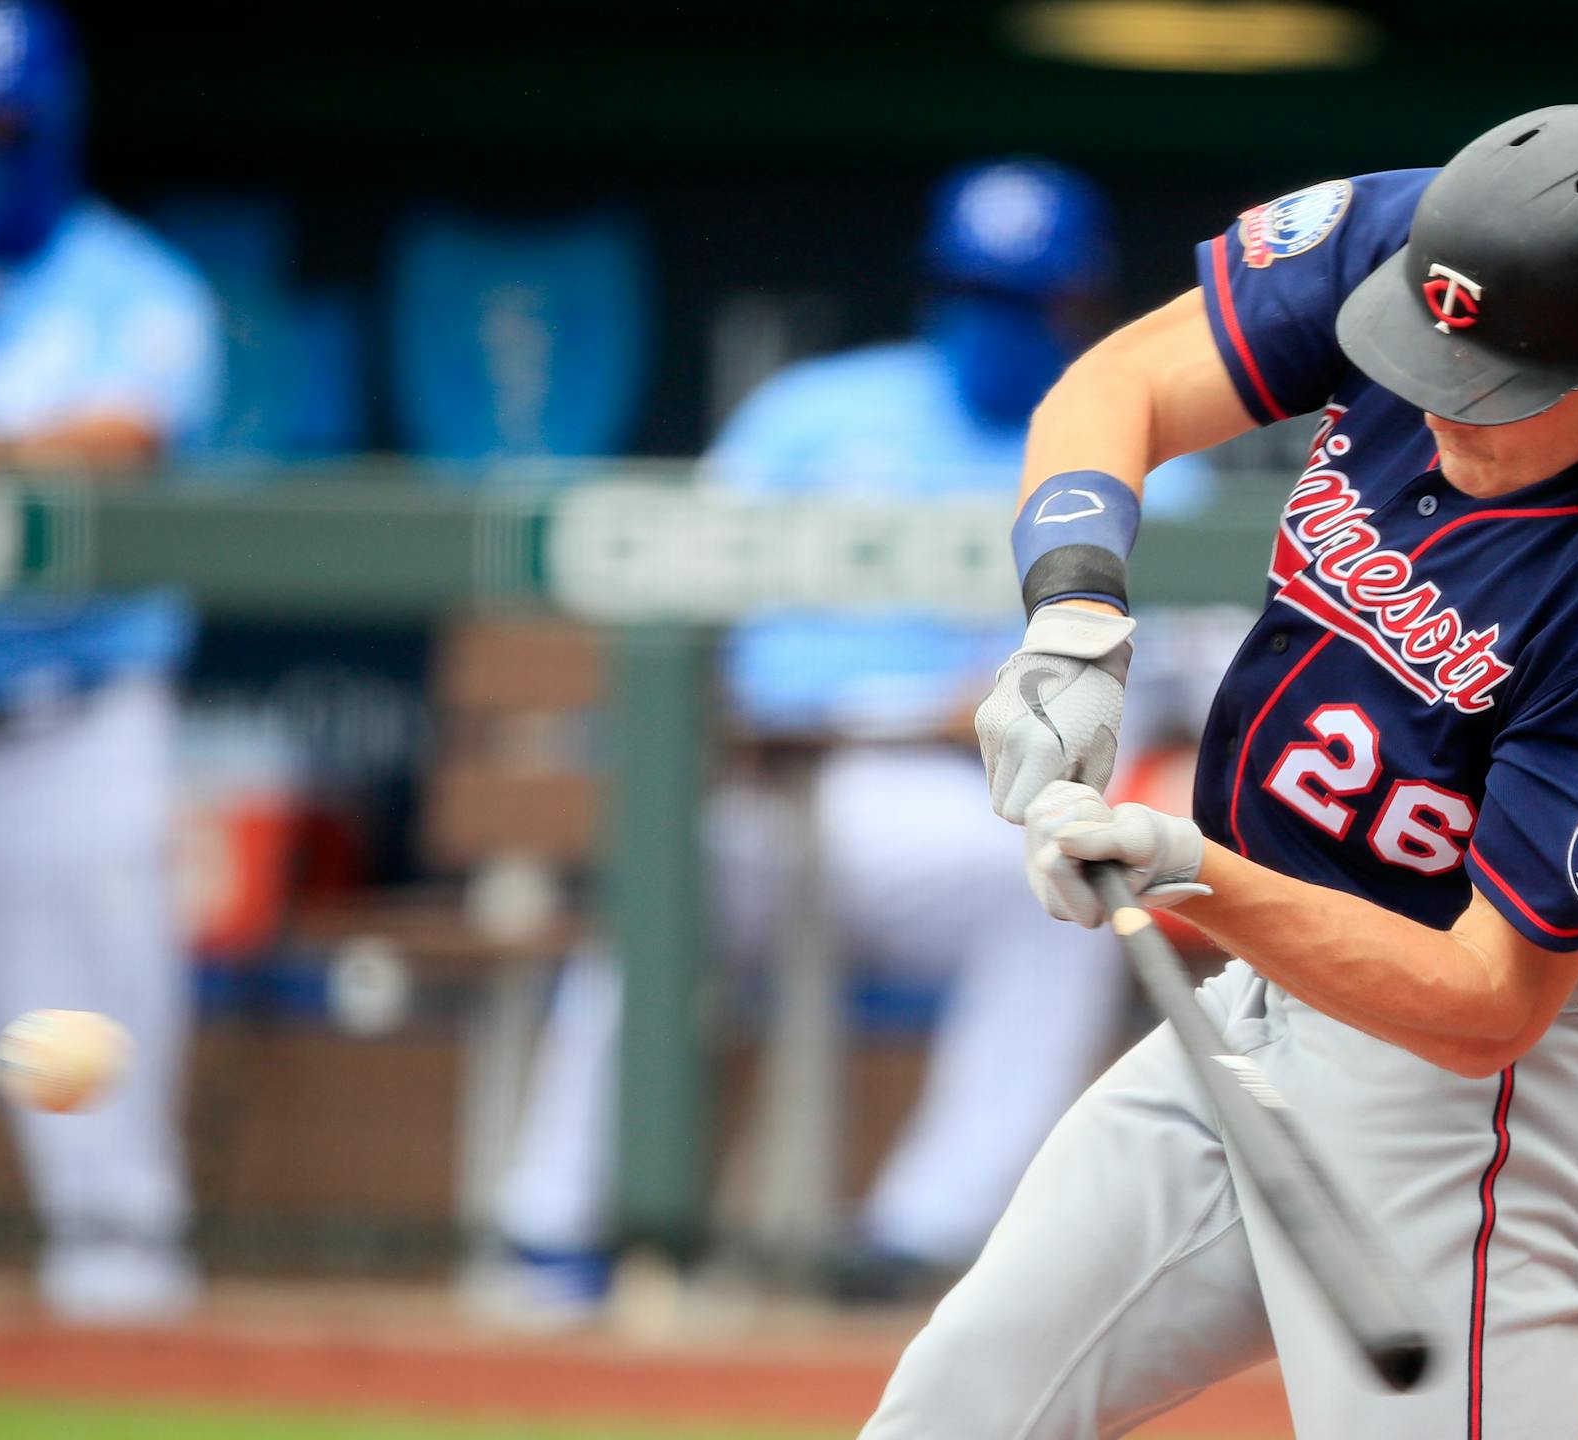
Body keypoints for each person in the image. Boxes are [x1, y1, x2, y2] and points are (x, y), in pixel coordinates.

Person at [863, 102, 1578, 1435]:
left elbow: (1489, 1005)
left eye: (1494, 387)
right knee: (956, 1409)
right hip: (1270, 1007)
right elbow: (1116, 384)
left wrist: (1189, 869)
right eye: (1431, 356)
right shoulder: (1440, 238)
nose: (1438, 401)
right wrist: (1074, 610)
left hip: (1486, 1102)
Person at [487, 158, 1210, 1309]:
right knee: (668, 887)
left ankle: (920, 1242)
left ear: (1080, 304)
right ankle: (552, 1237)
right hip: (775, 788)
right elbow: (683, 607)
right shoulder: (818, 411)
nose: (993, 323)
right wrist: (716, 725)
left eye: (1023, 300)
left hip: (959, 807)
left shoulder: (1138, 444)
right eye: (972, 291)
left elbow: (1163, 669)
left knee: (1069, 894)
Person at [0, 0, 220, 1322]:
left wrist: (3, 452)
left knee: (108, 1175)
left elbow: (134, 434)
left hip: (71, 728)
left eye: (0, 131)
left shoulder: (137, 287)